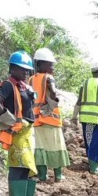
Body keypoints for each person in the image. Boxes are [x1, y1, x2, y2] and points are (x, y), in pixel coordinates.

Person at [0, 51, 40, 196]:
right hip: (18, 132)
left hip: (28, 132)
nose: (25, 72)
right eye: (21, 69)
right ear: (12, 68)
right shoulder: (8, 85)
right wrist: (9, 120)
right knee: (18, 166)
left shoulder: (24, 86)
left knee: (29, 168)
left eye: (27, 70)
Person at [29, 48, 70, 182]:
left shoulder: (30, 79)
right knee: (56, 146)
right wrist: (54, 98)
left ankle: (42, 175)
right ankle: (58, 175)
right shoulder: (48, 77)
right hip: (50, 119)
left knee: (40, 147)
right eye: (50, 64)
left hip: (36, 120)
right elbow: (52, 91)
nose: (52, 67)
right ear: (41, 64)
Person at [72, 65, 98, 175]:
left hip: (85, 117)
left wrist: (74, 116)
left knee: (90, 140)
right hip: (97, 117)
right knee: (94, 142)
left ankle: (94, 164)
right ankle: (94, 168)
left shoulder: (85, 83)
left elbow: (79, 100)